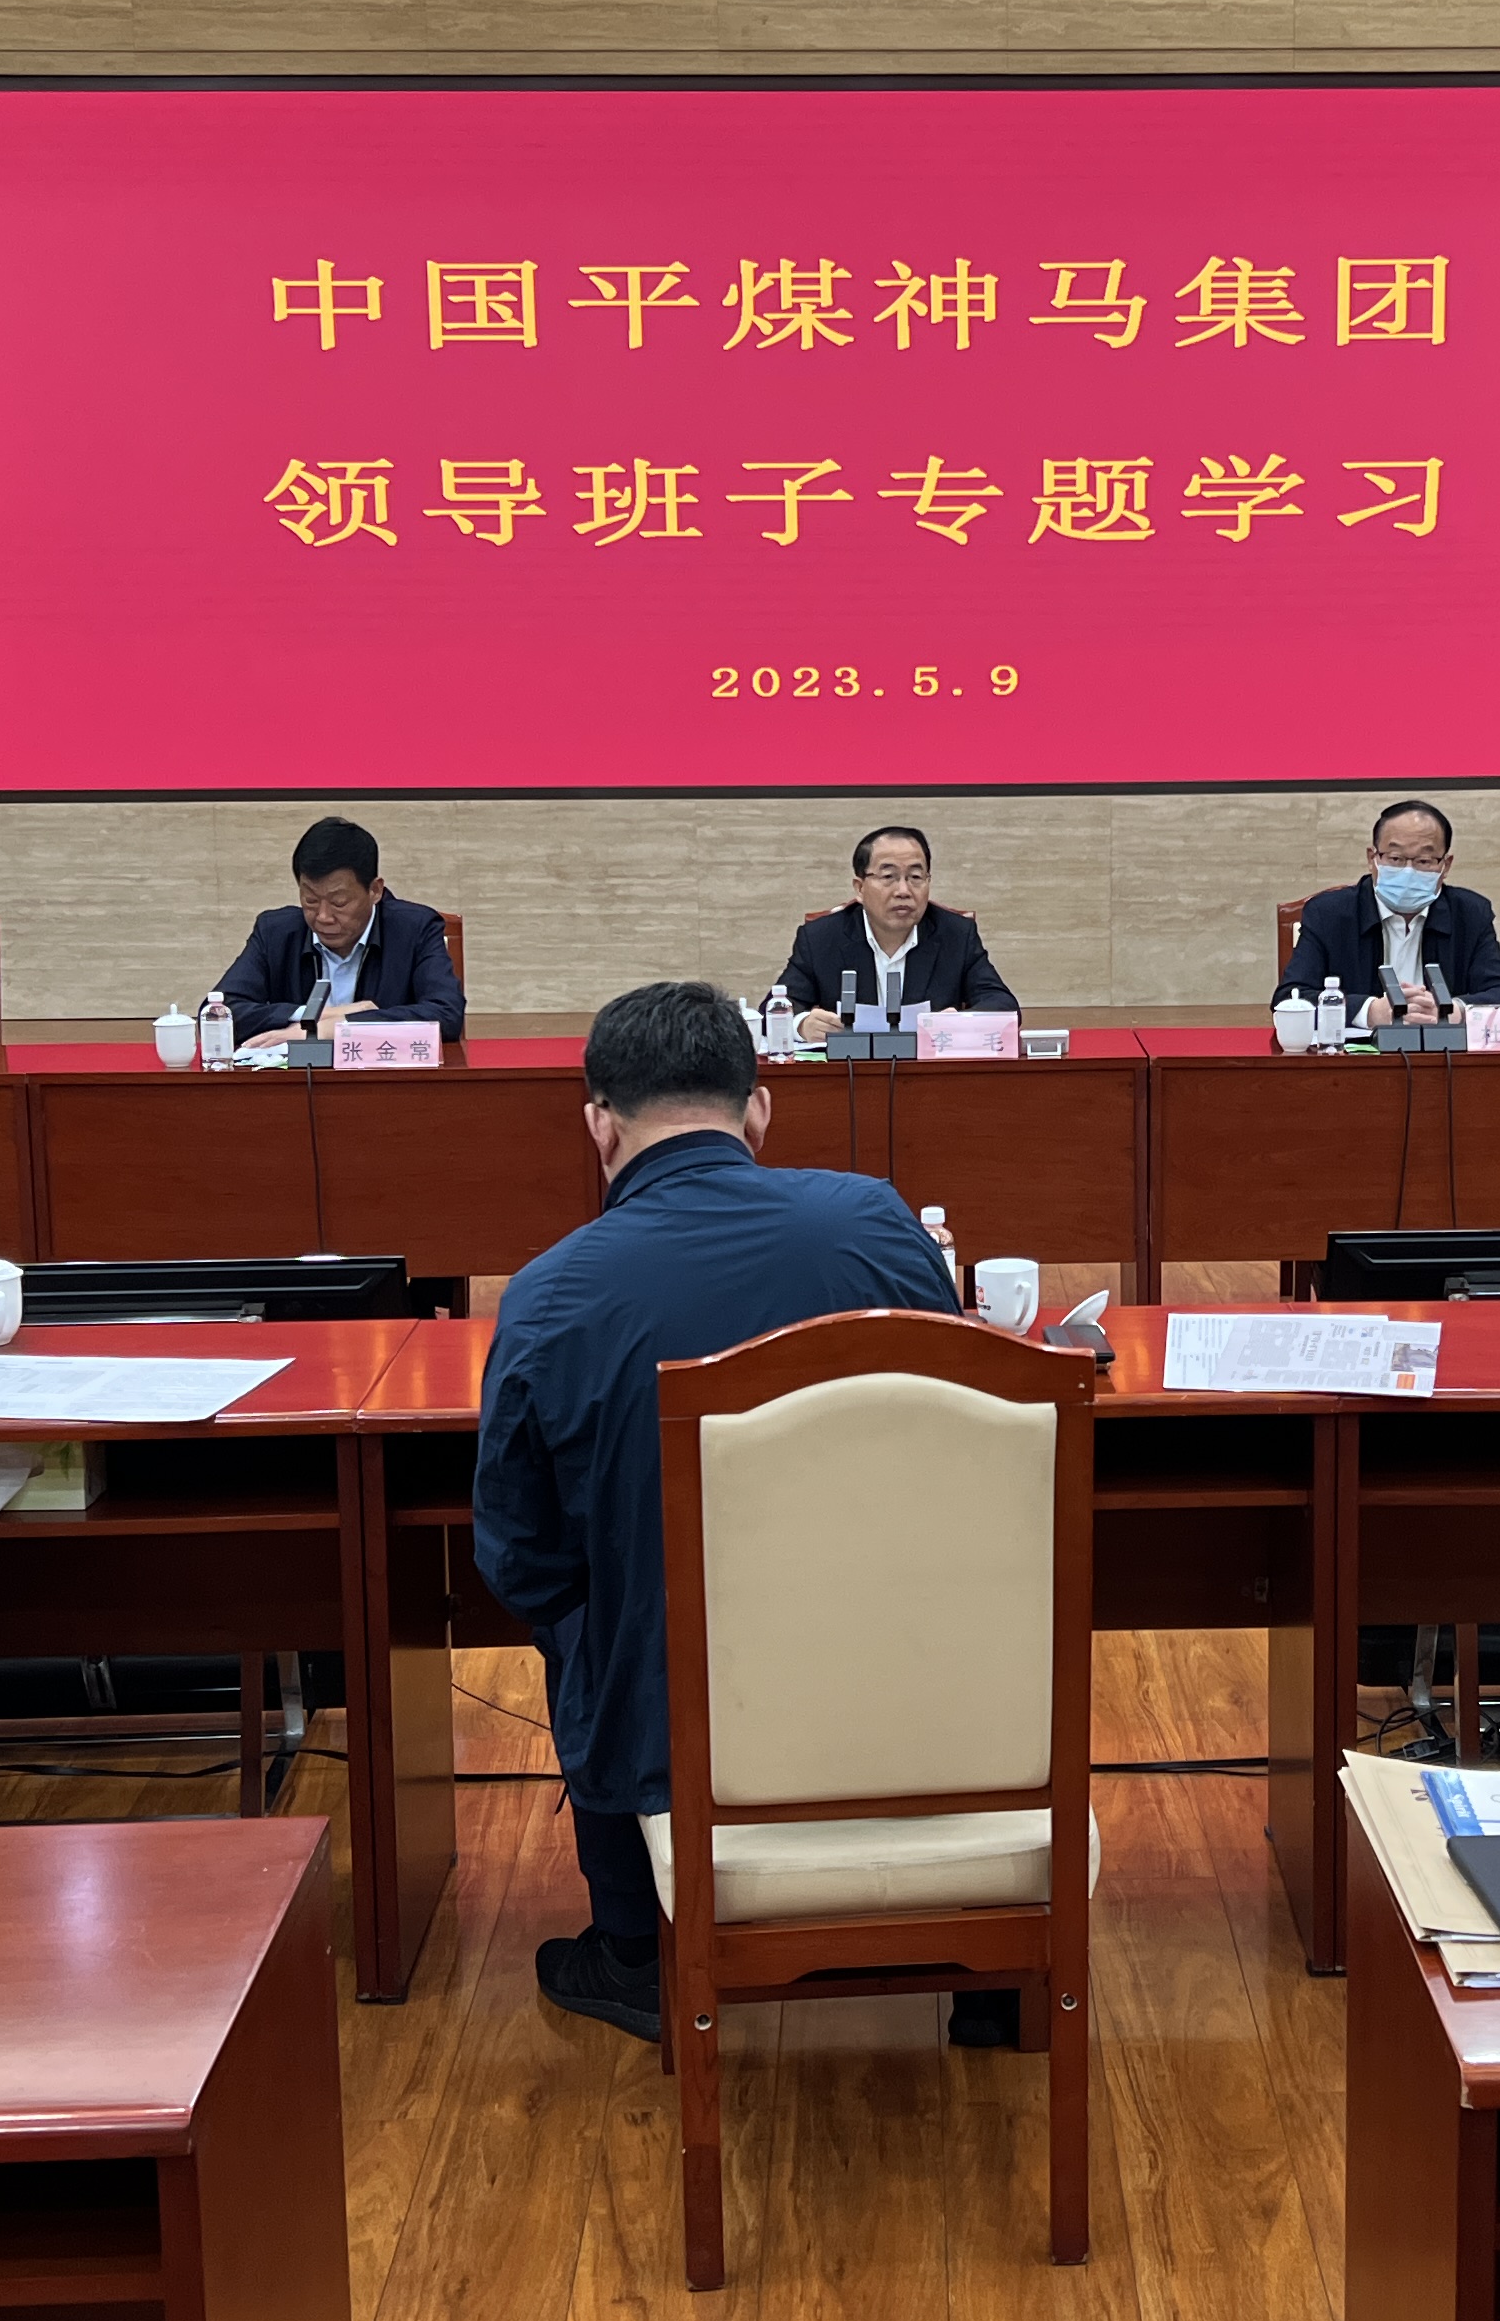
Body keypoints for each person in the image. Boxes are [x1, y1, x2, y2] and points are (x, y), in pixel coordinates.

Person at [472, 980, 972, 2042]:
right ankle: (974, 1950)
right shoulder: (877, 1221)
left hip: (684, 1721)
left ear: (599, 1125)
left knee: (588, 1612)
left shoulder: (549, 1295)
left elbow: (521, 1562)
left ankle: (636, 1950)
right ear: (759, 1110)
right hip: (917, 1685)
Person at [212, 815, 468, 1045]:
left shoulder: (415, 928)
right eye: (311, 900)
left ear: (375, 890)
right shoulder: (275, 932)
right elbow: (218, 1013)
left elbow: (446, 1013)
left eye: (339, 902)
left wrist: (340, 1027)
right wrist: (312, 1017)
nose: (323, 917)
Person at [1278, 798, 1500, 1027]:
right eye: (1395, 858)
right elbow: (1290, 998)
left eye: (1424, 861)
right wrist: (1369, 1012)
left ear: (1445, 865)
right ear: (1372, 858)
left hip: (1443, 1053)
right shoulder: (1328, 914)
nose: (1408, 871)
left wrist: (1451, 1010)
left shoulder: (1469, 913)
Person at [771, 824, 1016, 1038]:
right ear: (860, 888)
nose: (903, 891)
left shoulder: (956, 935)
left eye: (915, 877)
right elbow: (775, 1007)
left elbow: (1003, 1005)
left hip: (928, 1071)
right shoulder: (821, 938)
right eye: (888, 876)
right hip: (849, 1071)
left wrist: (959, 1022)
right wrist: (801, 1024)